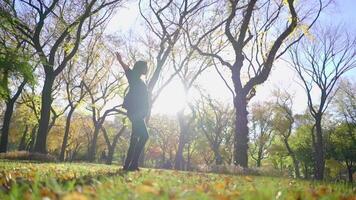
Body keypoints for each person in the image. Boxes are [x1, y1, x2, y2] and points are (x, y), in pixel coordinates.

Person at [115, 52, 149, 171]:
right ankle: (133, 164)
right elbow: (127, 70)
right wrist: (120, 60)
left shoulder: (140, 80)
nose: (147, 69)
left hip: (138, 113)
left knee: (135, 138)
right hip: (135, 113)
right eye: (145, 67)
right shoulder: (134, 78)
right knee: (144, 136)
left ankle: (128, 165)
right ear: (140, 68)